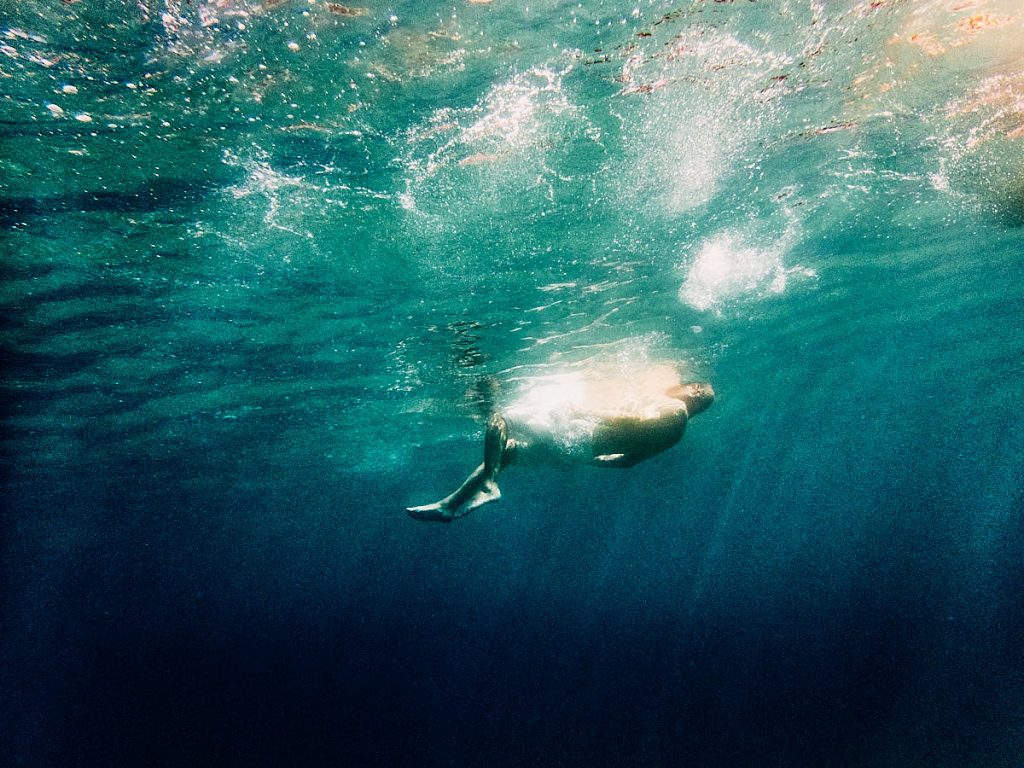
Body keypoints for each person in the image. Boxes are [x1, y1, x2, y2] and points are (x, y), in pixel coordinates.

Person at [406, 365, 714, 522]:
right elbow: (629, 459)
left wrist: (585, 412)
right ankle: (449, 506)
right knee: (509, 450)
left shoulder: (675, 410)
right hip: (578, 448)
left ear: (691, 392)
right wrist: (589, 458)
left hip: (579, 434)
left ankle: (489, 486)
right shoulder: (677, 433)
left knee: (501, 417)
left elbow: (634, 422)